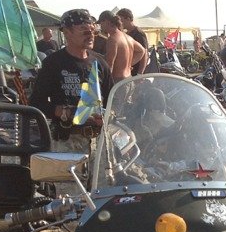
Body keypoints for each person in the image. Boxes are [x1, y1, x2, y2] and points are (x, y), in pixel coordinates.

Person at [29, 9, 113, 153]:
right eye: (84, 30)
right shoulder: (53, 63)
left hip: (98, 142)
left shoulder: (99, 63)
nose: (90, 35)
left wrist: (107, 115)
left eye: (92, 30)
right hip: (67, 141)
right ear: (67, 32)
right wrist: (65, 112)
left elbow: (113, 99)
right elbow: (36, 103)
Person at [98, 11, 146, 82]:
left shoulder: (113, 39)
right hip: (129, 78)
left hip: (118, 81)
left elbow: (109, 65)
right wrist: (128, 64)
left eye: (100, 23)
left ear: (106, 22)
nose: (100, 26)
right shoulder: (127, 37)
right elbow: (141, 51)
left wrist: (105, 83)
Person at [116, 8, 149, 75]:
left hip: (136, 71)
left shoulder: (138, 33)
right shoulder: (127, 33)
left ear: (128, 19)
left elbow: (144, 54)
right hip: (128, 70)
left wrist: (140, 73)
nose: (120, 23)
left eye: (121, 20)